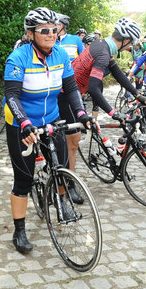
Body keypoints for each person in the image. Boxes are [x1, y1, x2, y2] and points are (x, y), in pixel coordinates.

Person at [3, 7, 94, 253]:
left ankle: (61, 198)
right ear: (31, 34)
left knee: (61, 166)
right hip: (21, 122)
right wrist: (24, 123)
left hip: (51, 119)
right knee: (23, 179)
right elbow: (11, 95)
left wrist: (82, 114)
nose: (51, 34)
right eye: (44, 30)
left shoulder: (61, 56)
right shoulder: (19, 58)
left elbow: (72, 88)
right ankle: (19, 231)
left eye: (54, 30)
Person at [72, 17, 146, 122]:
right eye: (131, 43)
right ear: (126, 40)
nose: (131, 45)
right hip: (68, 94)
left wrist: (137, 94)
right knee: (72, 137)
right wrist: (113, 113)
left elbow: (117, 73)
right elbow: (93, 88)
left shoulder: (101, 44)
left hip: (72, 91)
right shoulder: (103, 53)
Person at [55, 13, 85, 185]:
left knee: (72, 139)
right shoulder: (46, 41)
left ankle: (70, 181)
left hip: (69, 92)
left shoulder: (75, 40)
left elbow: (82, 62)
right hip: (51, 94)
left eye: (55, 25)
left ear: (63, 25)